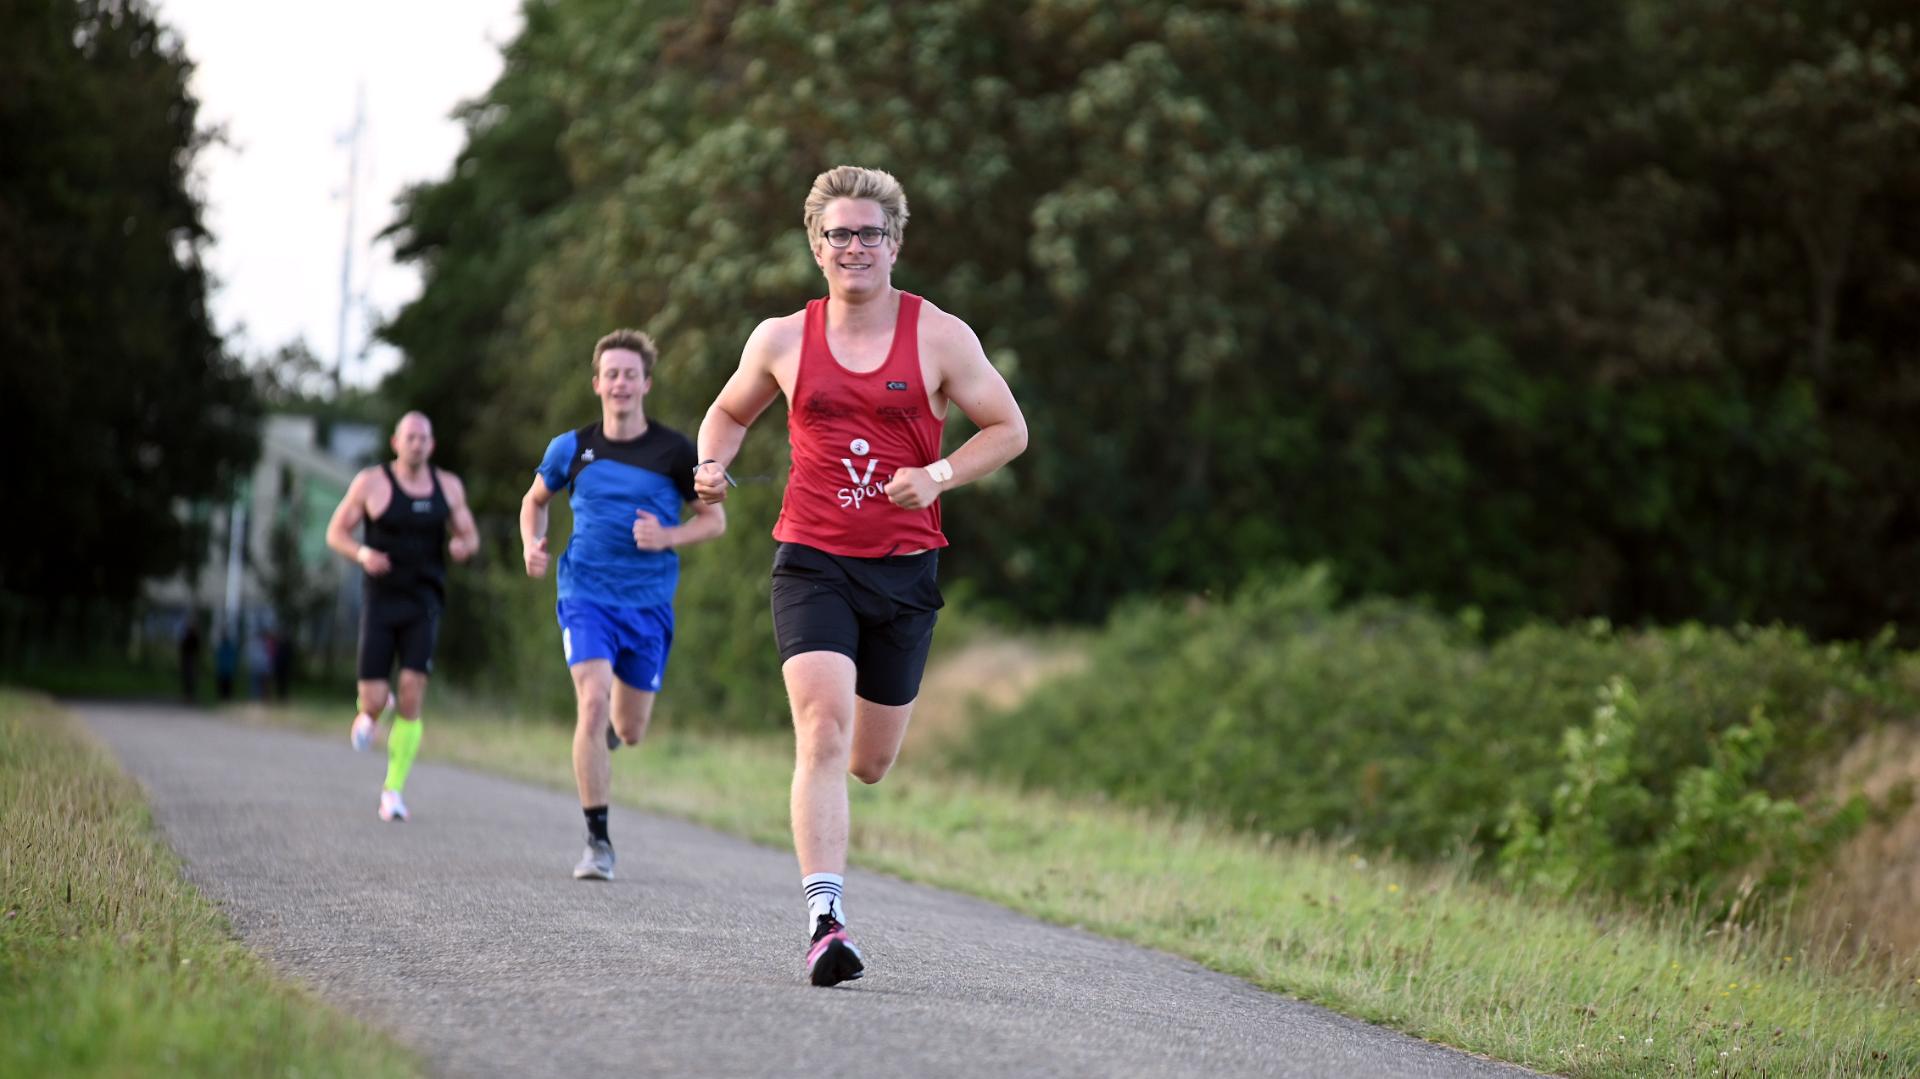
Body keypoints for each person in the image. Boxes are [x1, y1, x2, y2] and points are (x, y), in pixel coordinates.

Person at [694, 165, 1028, 986]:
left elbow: (1008, 428)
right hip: (812, 561)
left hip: (905, 574)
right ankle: (825, 920)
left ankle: (833, 837)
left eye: (869, 233)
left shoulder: (939, 336)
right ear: (816, 245)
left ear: (895, 243)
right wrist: (709, 463)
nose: (854, 247)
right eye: (838, 234)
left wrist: (938, 474)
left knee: (868, 761)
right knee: (822, 728)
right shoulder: (781, 339)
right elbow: (730, 413)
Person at [520, 329, 726, 881]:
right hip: (585, 594)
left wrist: (668, 536)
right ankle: (598, 842)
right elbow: (534, 501)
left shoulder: (675, 452)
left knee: (630, 730)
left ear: (646, 384)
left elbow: (714, 521)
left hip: (647, 606)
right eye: (611, 374)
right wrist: (531, 543)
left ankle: (614, 729)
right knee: (591, 703)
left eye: (630, 375)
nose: (620, 383)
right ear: (597, 383)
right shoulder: (571, 448)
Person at [324, 411, 480, 822]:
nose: (416, 444)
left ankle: (392, 791)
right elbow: (335, 533)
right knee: (374, 699)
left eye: (423, 438)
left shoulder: (448, 486)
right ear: (396, 442)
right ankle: (373, 709)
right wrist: (362, 553)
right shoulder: (370, 483)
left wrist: (463, 546)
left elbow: (470, 535)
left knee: (413, 691)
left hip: (424, 601)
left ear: (432, 445)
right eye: (409, 437)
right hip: (381, 601)